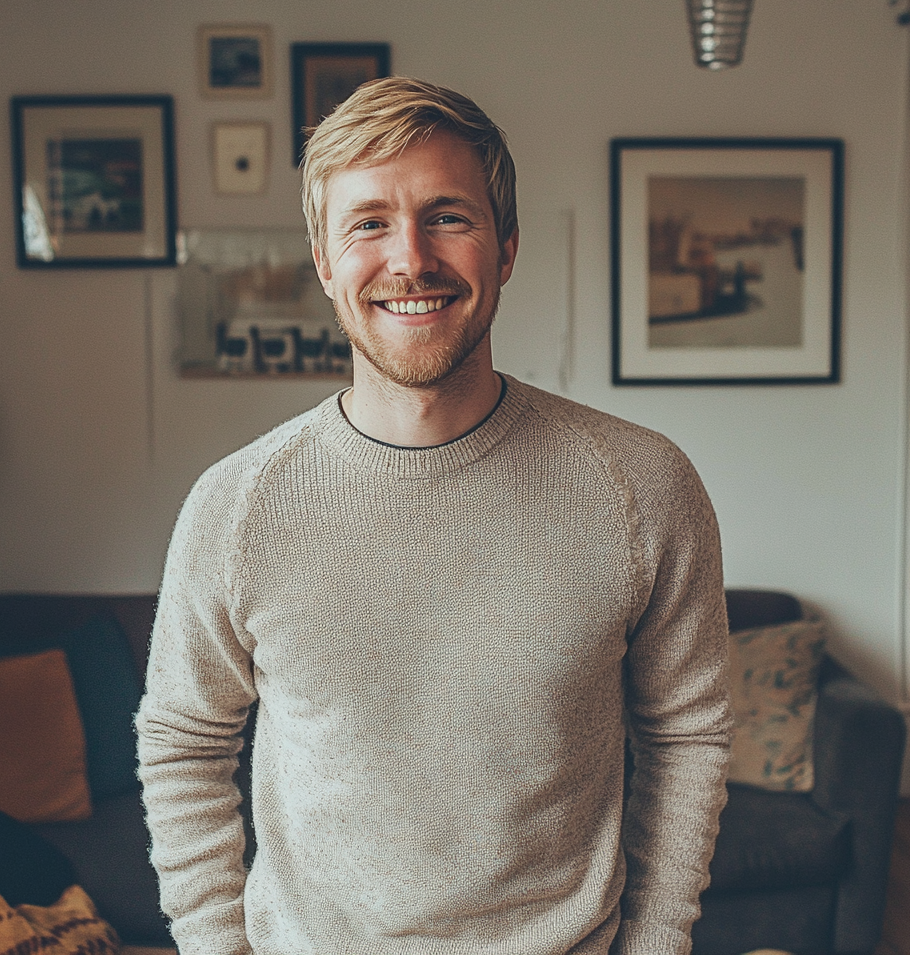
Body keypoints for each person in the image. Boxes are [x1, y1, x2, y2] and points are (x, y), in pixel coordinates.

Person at [136, 77, 732, 955]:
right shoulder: (237, 505)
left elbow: (689, 733)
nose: (409, 258)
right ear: (324, 259)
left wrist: (657, 943)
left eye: (448, 215)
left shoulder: (643, 486)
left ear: (507, 245)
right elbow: (183, 739)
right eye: (369, 223)